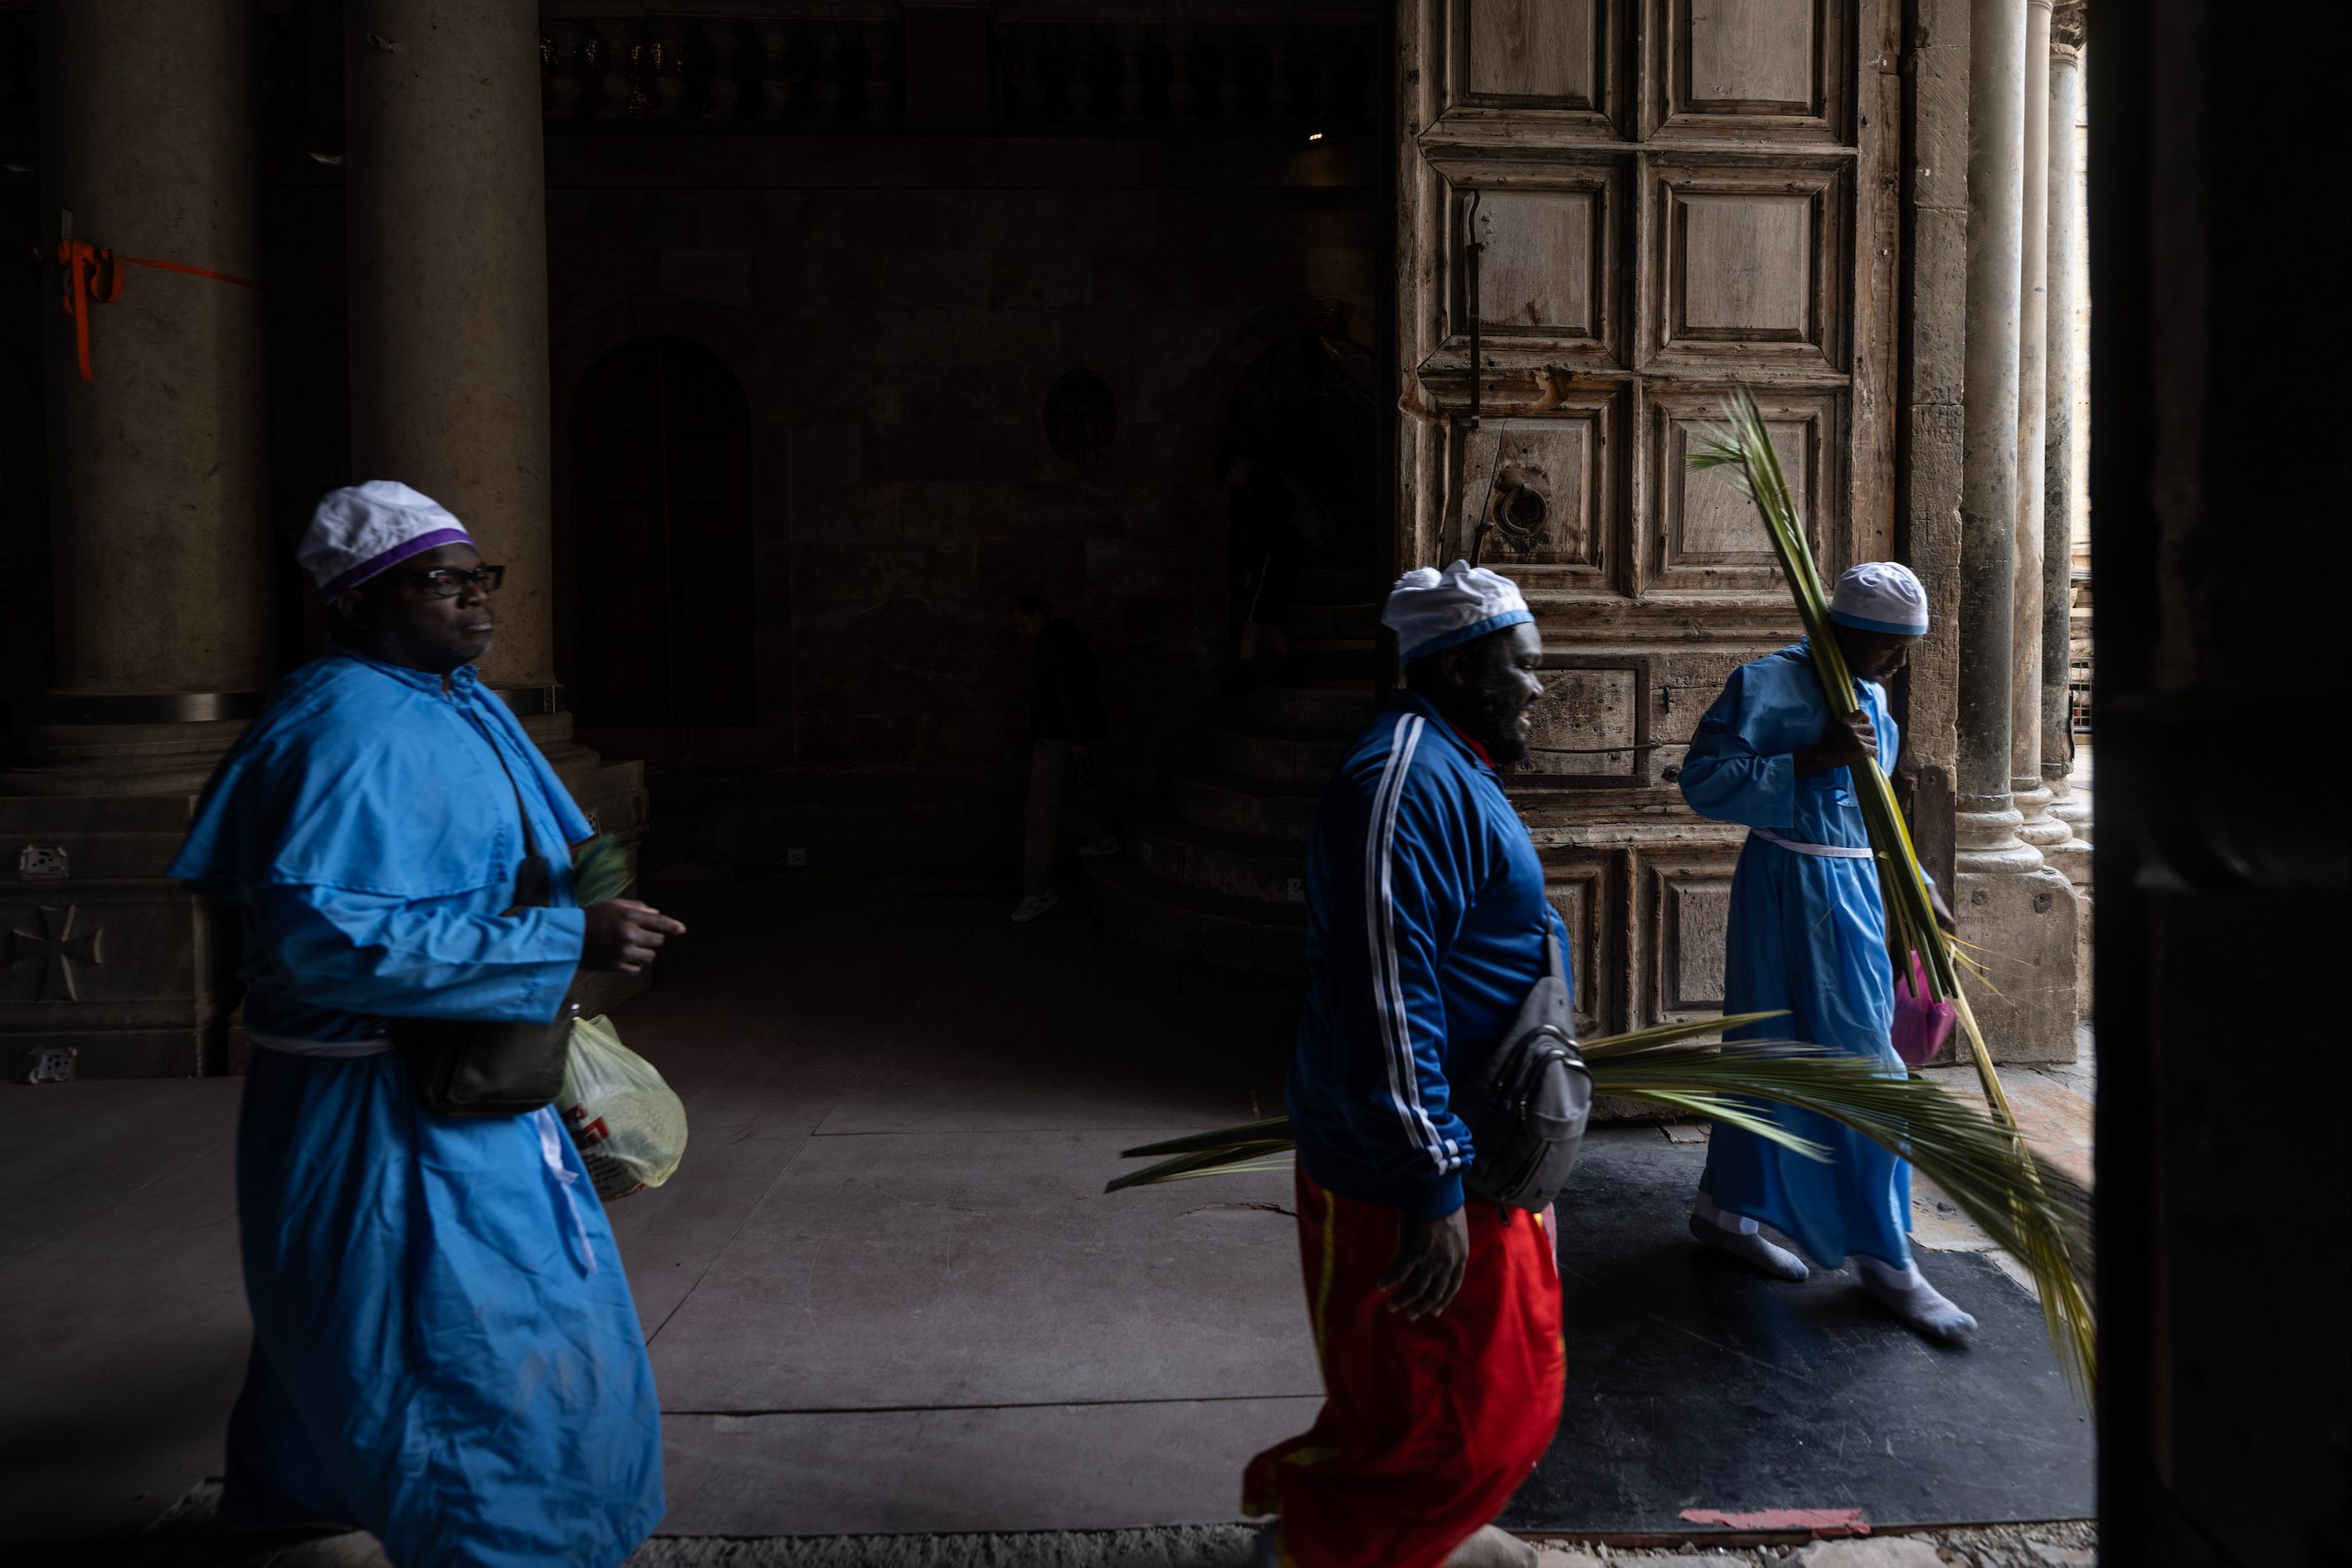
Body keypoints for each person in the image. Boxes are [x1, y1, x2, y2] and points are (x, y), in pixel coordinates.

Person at [170, 481, 686, 1567]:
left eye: (477, 577)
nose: (473, 602)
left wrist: (584, 899)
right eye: (437, 582)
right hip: (380, 1102)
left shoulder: (450, 694)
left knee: (350, 1310)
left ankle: (300, 1493)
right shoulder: (345, 723)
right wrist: (560, 941)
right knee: (463, 1337)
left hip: (454, 1074)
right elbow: (323, 937)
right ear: (356, 603)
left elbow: (513, 856)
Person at [1244, 562, 1564, 1568]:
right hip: (1414, 1164)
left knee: (1480, 1392)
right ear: (1464, 668)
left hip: (1471, 1145)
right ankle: (1324, 1547)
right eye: (1524, 667)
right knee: (1451, 1404)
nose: (1539, 688)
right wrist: (1431, 1187)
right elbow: (1385, 998)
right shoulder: (1399, 787)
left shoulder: (1454, 763)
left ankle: (1412, 1537)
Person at [1677, 561, 1975, 1342]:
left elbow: (1870, 809)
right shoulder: (1766, 684)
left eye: (1906, 648)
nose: (1898, 664)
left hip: (1848, 895)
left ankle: (1771, 1224)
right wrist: (1810, 757)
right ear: (1841, 632)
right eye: (1886, 647)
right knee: (1780, 1056)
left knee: (1860, 1066)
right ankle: (1866, 1256)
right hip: (1781, 885)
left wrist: (1914, 884)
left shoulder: (1873, 698)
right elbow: (1703, 781)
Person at [1010, 594, 1119, 924]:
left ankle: (1037, 891)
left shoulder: (1053, 644)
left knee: (1038, 815)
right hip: (1059, 736)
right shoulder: (1062, 640)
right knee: (1053, 802)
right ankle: (1102, 837)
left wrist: (1077, 740)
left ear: (1039, 617)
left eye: (1025, 622)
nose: (1023, 630)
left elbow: (1067, 693)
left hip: (1056, 738)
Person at [1220, 447, 1311, 696]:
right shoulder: (1268, 480)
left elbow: (1263, 529)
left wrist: (1251, 567)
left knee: (1255, 609)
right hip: (1285, 553)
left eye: (1230, 475)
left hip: (1275, 555)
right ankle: (1291, 666)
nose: (1232, 483)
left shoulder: (1262, 482)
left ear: (1238, 463)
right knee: (1269, 613)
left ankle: (1244, 671)